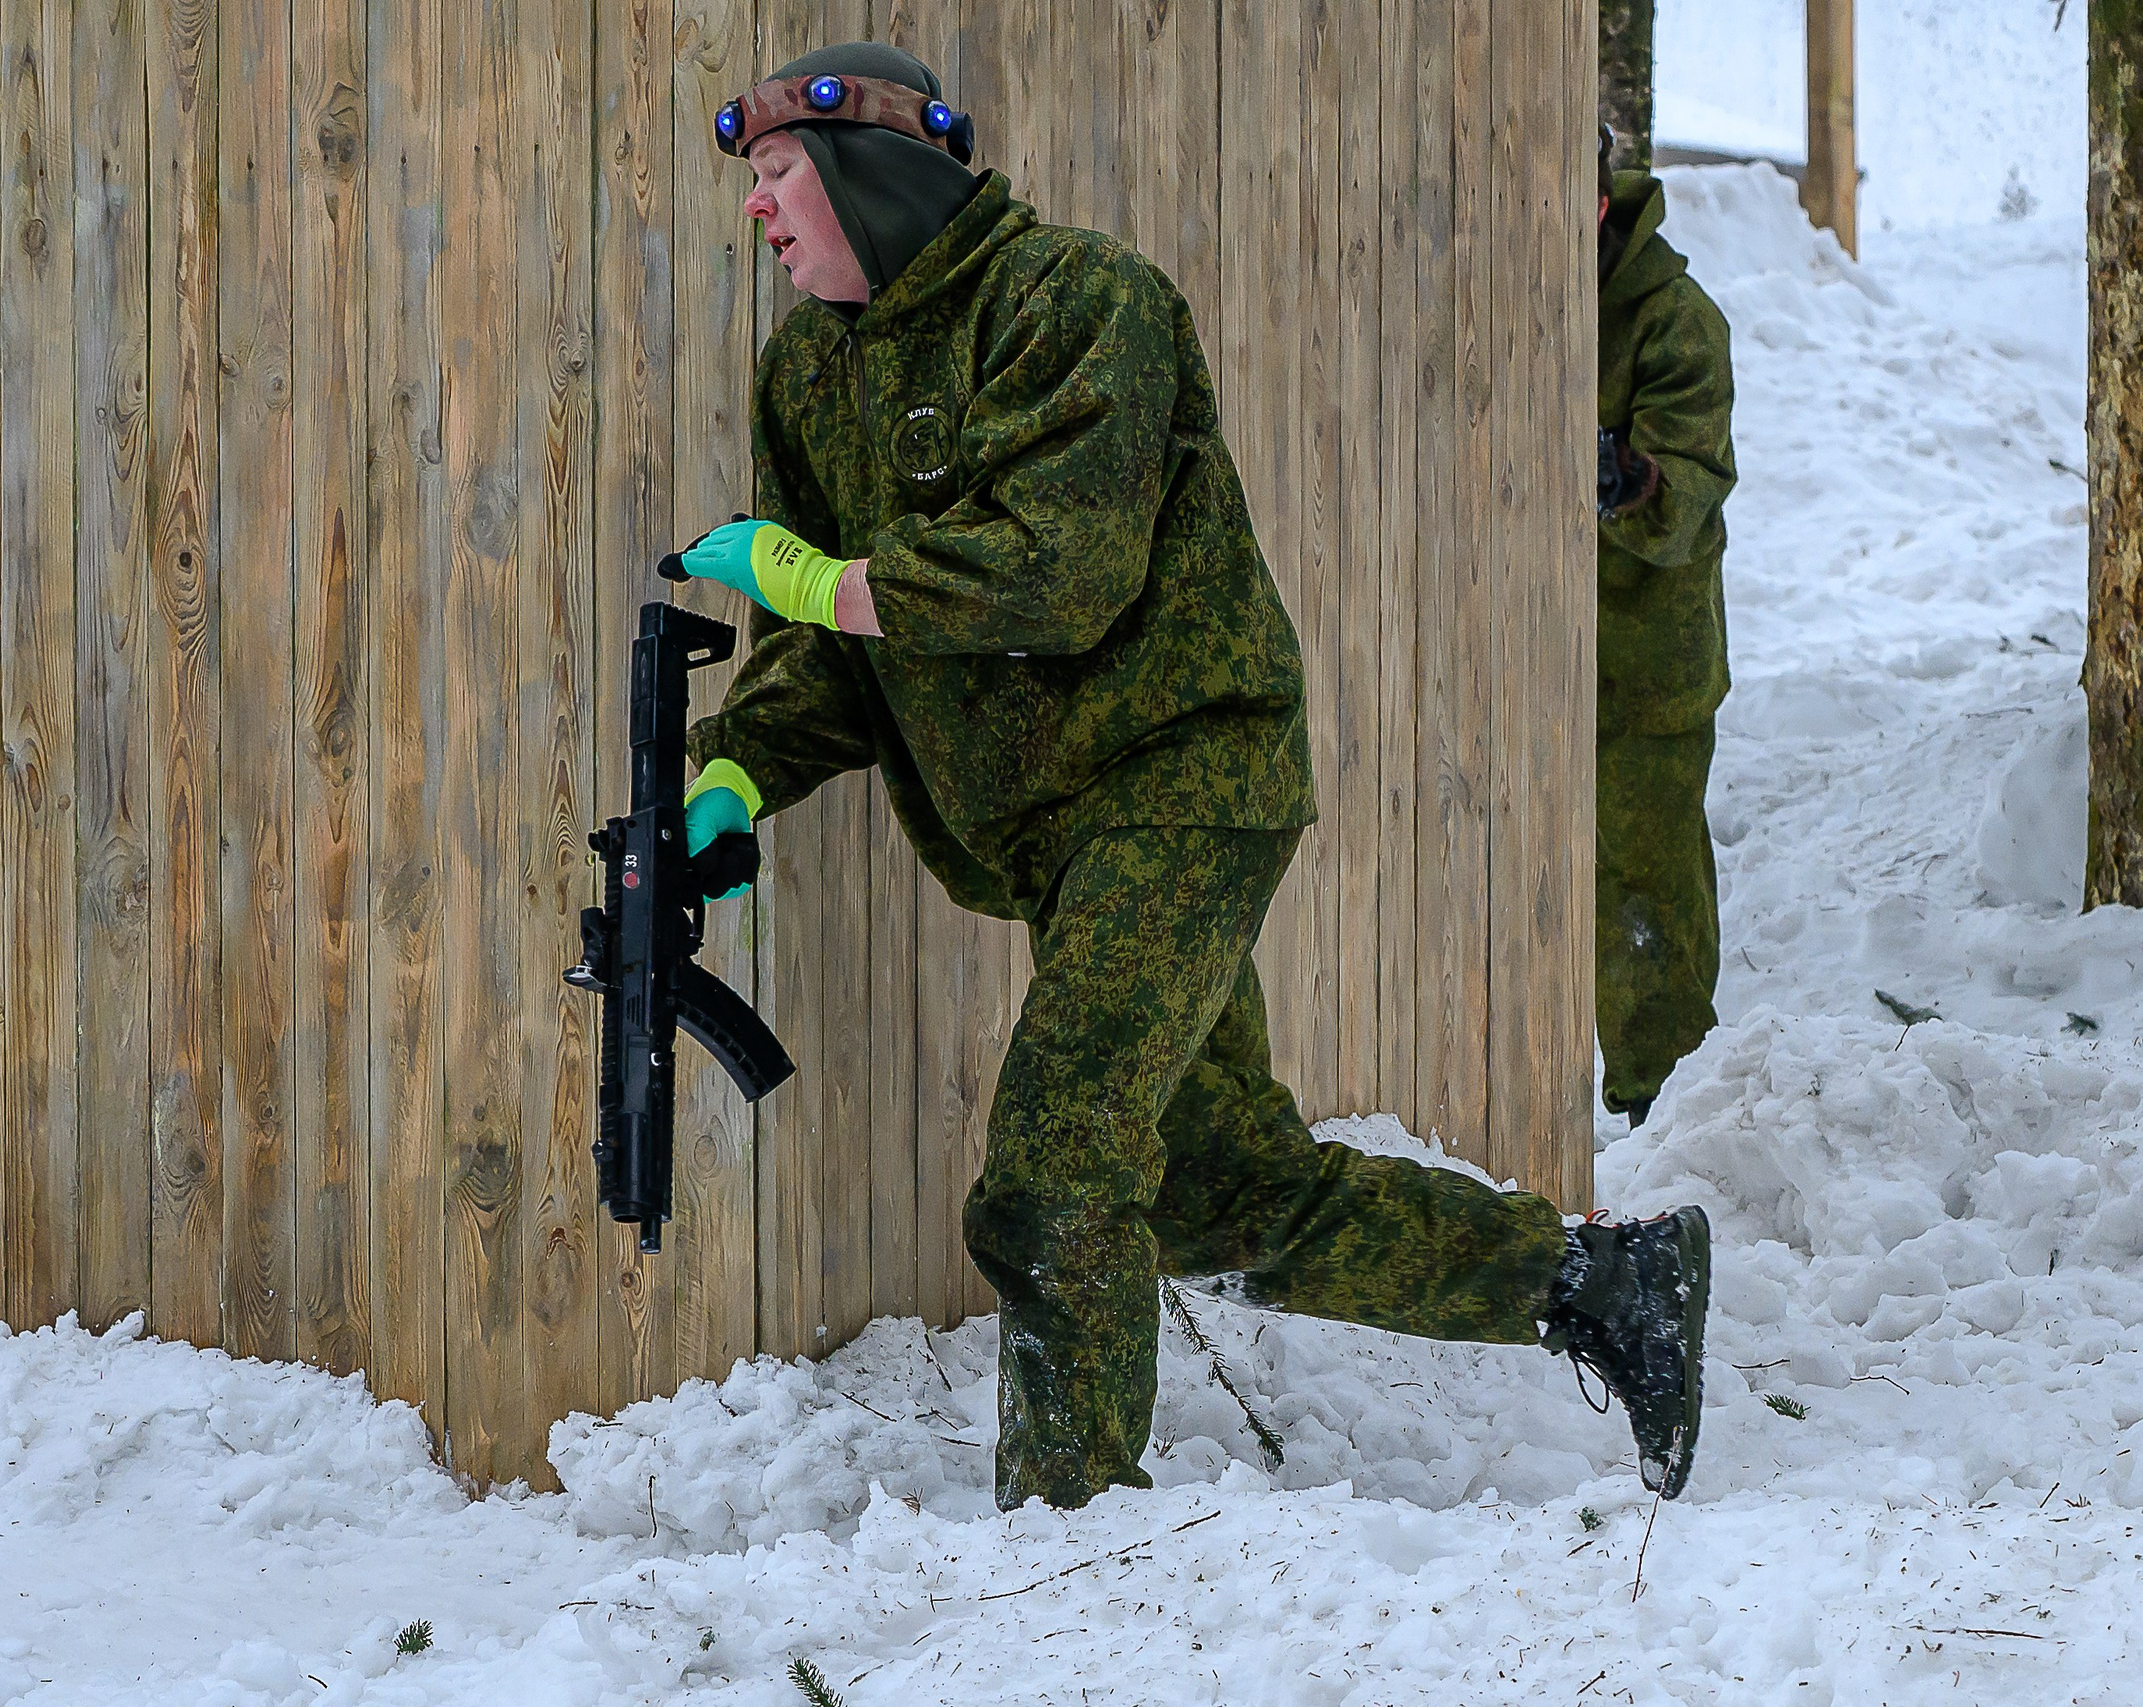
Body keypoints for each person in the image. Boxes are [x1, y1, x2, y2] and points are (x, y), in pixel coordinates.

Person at [672, 41, 1713, 1509]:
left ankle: (1064, 1536)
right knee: (1228, 1186)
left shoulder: (1079, 303)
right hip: (1059, 832)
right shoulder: (811, 374)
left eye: (778, 174)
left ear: (875, 171)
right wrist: (733, 782)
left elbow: (1062, 569)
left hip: (1180, 779)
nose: (760, 210)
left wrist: (823, 578)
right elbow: (831, 644)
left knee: (1052, 1167)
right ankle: (1610, 1285)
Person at [1595, 124, 1737, 1129]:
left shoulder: (1678, 323)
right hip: (1534, 658)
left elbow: (1684, 496)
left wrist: (1626, 479)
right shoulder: (1521, 294)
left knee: (1645, 890)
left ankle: (1667, 1111)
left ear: (1598, 203)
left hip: (1646, 665)